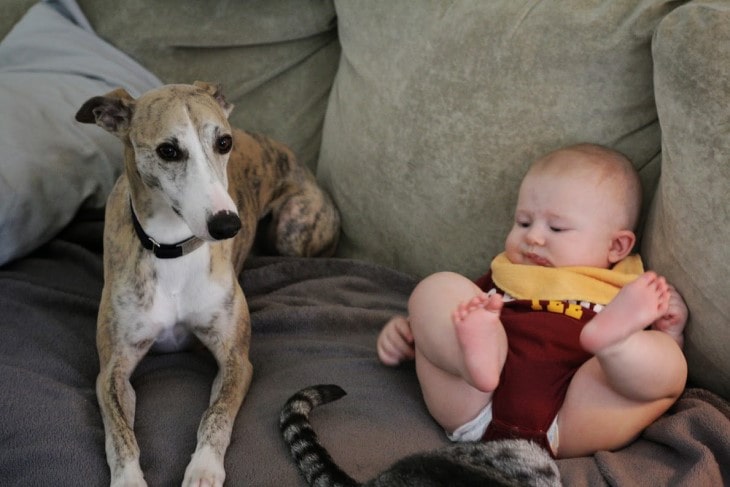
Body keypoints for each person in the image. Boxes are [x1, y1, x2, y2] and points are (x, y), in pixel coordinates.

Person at [377, 143, 688, 458]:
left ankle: (614, 344)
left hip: (571, 419)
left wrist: (668, 333)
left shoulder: (630, 294)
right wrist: (414, 330)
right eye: (524, 222)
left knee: (670, 366)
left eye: (556, 227)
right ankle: (471, 360)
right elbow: (453, 313)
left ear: (617, 246)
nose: (533, 237)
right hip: (474, 399)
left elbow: (647, 377)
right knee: (438, 287)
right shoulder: (506, 276)